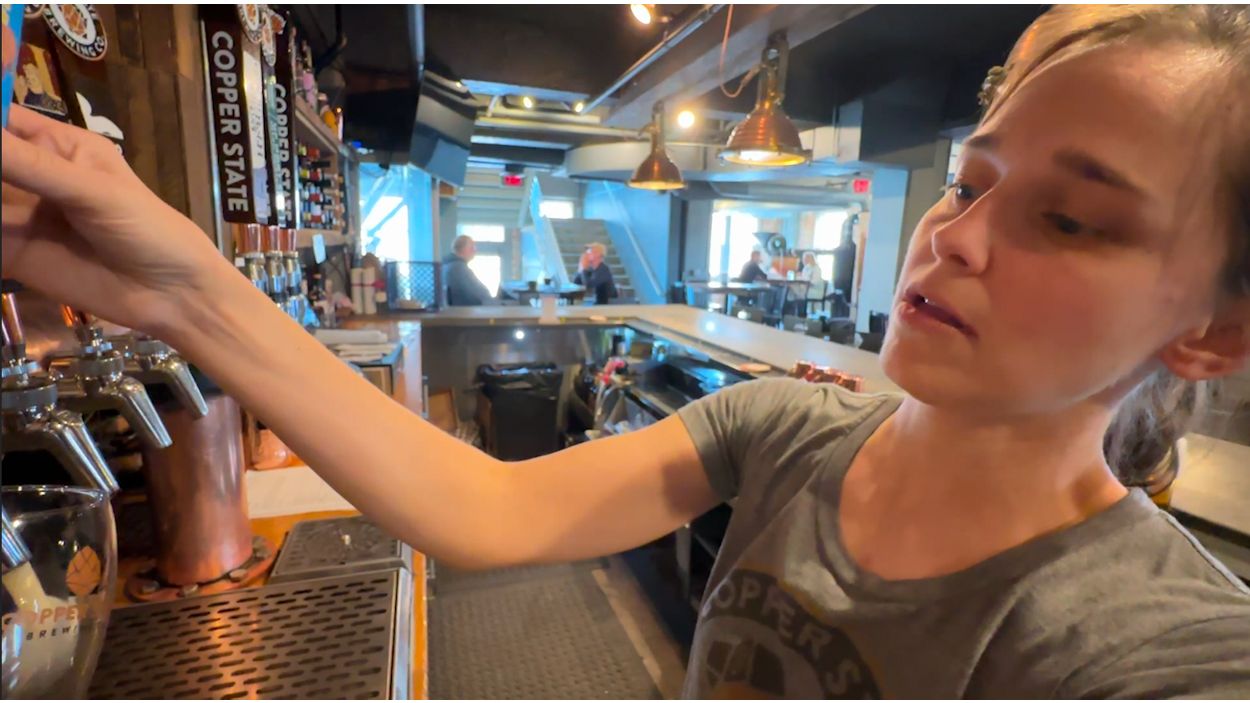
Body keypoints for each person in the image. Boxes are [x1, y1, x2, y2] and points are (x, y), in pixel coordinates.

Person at [3, 5, 1249, 697]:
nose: (955, 236)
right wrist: (182, 290)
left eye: (1068, 219)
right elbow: (486, 509)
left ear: (1212, 328)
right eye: (968, 182)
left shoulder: (1158, 647)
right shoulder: (788, 428)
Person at [442, 234, 493, 306]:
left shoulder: (445, 266)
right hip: (463, 311)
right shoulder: (459, 269)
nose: (474, 251)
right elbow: (481, 294)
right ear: (463, 249)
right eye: (472, 247)